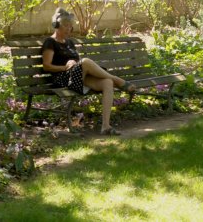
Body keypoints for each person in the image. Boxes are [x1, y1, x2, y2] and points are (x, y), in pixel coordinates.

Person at [41, 7, 135, 135]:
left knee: (107, 82)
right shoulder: (50, 42)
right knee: (85, 61)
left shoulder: (69, 43)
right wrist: (65, 67)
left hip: (77, 77)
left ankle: (106, 126)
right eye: (66, 26)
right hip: (62, 79)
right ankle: (118, 80)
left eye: (71, 26)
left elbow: (77, 62)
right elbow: (47, 66)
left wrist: (75, 64)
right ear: (56, 26)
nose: (70, 29)